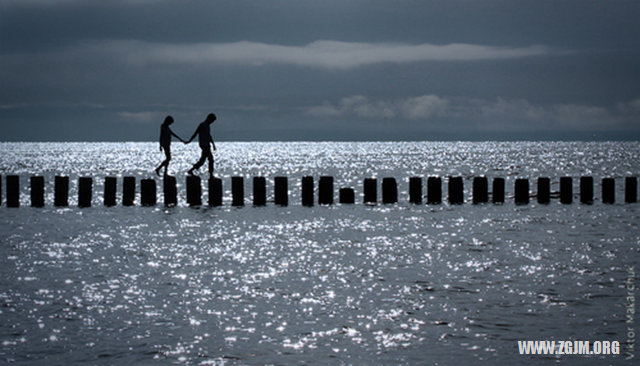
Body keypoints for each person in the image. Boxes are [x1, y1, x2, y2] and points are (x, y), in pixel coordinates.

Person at [185, 113, 217, 178]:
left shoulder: (208, 126)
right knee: (210, 159)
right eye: (212, 121)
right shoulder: (202, 125)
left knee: (203, 160)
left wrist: (213, 144)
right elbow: (195, 133)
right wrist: (189, 141)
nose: (212, 122)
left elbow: (209, 135)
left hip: (207, 144)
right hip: (203, 144)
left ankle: (191, 170)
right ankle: (211, 174)